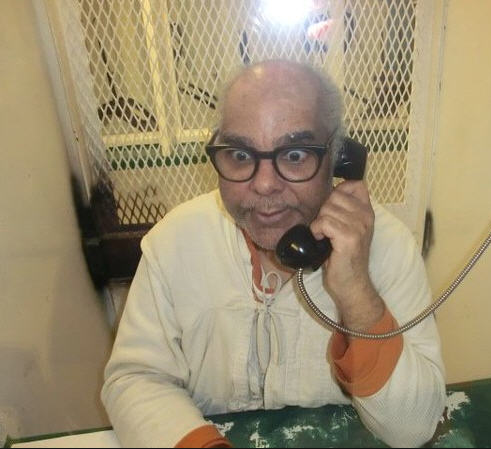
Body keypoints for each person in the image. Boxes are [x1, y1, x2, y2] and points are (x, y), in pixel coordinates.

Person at [101, 59, 446, 448]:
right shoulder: (176, 241)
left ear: (338, 158)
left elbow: (414, 428)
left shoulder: (389, 246)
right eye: (241, 155)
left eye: (295, 155)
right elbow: (136, 378)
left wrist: (356, 291)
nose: (264, 184)